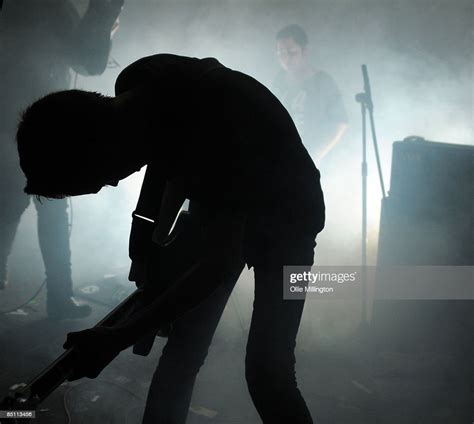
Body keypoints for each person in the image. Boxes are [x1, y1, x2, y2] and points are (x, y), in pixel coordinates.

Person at [16, 54, 326, 423]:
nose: (114, 181)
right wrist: (145, 239)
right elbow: (161, 155)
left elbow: (219, 261)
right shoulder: (140, 84)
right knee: (184, 348)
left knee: (269, 373)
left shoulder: (209, 128)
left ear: (98, 142)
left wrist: (118, 338)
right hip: (223, 198)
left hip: (290, 222)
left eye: (103, 175)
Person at [0, 0, 123, 319]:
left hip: (22, 123)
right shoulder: (53, 9)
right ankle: (58, 296)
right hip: (37, 126)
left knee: (16, 211)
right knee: (36, 212)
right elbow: (89, 62)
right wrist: (103, 24)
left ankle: (57, 295)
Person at [273, 24, 348, 166]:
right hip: (284, 160)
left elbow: (340, 122)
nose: (286, 58)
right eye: (281, 53)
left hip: (314, 163)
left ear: (305, 51)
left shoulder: (322, 81)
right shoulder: (279, 80)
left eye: (291, 52)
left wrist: (315, 155)